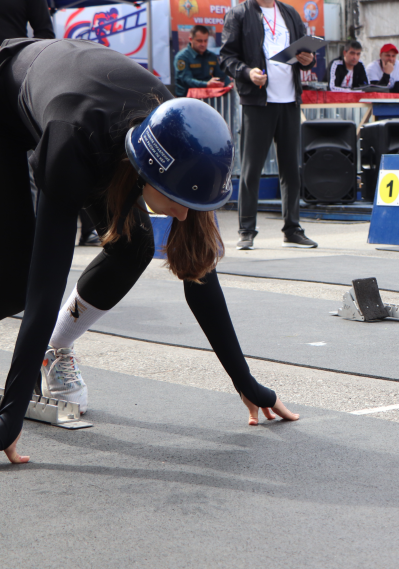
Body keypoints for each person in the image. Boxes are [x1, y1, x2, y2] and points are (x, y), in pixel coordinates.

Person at [0, 38, 300, 465]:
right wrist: (10, 416)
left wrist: (246, 383)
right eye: (178, 201)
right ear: (149, 173)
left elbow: (200, 274)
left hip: (96, 111)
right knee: (14, 282)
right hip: (10, 97)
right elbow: (45, 286)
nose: (184, 215)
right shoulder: (73, 145)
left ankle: (55, 350)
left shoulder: (178, 135)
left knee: (135, 245)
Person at [220, 0, 317, 251]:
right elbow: (226, 58)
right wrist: (246, 72)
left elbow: (305, 54)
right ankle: (246, 230)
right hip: (258, 102)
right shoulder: (239, 14)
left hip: (289, 100)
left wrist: (308, 59)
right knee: (251, 169)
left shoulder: (290, 14)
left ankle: (292, 229)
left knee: (291, 169)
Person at [174, 25, 230, 97]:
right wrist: (207, 84)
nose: (203, 44)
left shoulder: (211, 56)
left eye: (205, 41)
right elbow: (186, 80)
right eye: (199, 41)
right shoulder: (182, 57)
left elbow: (221, 75)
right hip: (186, 98)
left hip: (208, 97)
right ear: (191, 39)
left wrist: (229, 83)